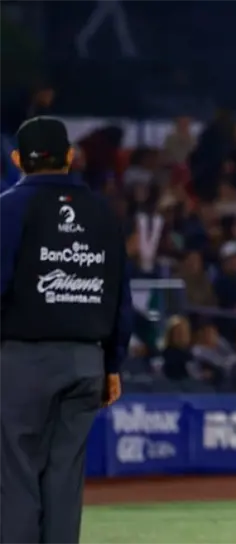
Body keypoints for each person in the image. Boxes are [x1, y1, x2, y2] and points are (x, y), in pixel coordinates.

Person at [0, 116, 133, 544]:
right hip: (86, 362)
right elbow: (119, 294)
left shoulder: (8, 208)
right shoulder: (103, 211)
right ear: (70, 156)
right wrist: (112, 364)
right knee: (64, 478)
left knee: (15, 474)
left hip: (22, 360)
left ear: (17, 159)